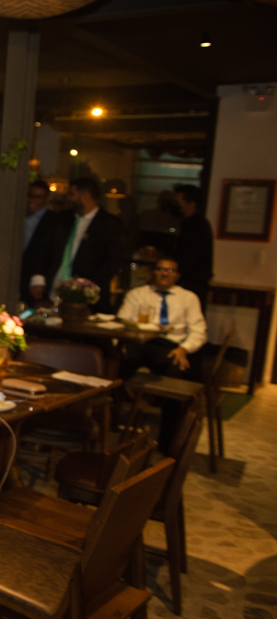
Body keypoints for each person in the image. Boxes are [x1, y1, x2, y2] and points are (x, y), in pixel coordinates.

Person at [117, 256, 207, 452]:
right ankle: (112, 425)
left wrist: (184, 348)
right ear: (153, 272)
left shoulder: (188, 298)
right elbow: (122, 321)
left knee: (174, 375)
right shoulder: (137, 294)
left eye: (170, 270)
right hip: (139, 342)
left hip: (169, 346)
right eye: (160, 269)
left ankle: (169, 440)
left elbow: (199, 331)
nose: (164, 273)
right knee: (115, 365)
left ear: (177, 275)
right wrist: (121, 343)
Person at [46, 177, 125, 313]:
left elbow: (113, 261)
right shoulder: (63, 219)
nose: (69, 199)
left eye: (72, 194)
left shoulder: (110, 224)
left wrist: (86, 288)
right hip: (55, 290)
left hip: (88, 298)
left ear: (85, 195)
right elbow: (48, 250)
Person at [171, 184, 214, 309]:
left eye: (178, 202)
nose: (174, 205)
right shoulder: (186, 224)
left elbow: (187, 258)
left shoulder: (197, 226)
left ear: (191, 204)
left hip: (191, 285)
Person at [21, 180, 62, 302]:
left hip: (35, 274)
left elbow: (52, 252)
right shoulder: (19, 215)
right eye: (30, 195)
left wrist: (40, 277)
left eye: (37, 197)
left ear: (46, 199)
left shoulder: (54, 221)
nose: (32, 200)